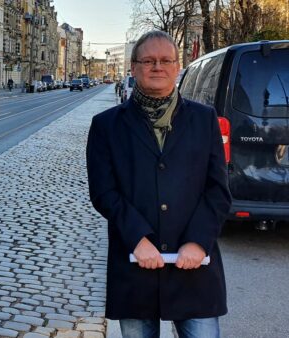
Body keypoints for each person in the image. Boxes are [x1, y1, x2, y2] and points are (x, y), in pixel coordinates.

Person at [86, 30, 231, 338]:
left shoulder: (204, 119)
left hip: (194, 267)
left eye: (166, 60)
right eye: (148, 60)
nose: (157, 67)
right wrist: (137, 238)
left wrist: (197, 241)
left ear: (177, 66)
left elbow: (218, 190)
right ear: (133, 67)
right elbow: (103, 192)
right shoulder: (106, 126)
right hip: (135, 263)